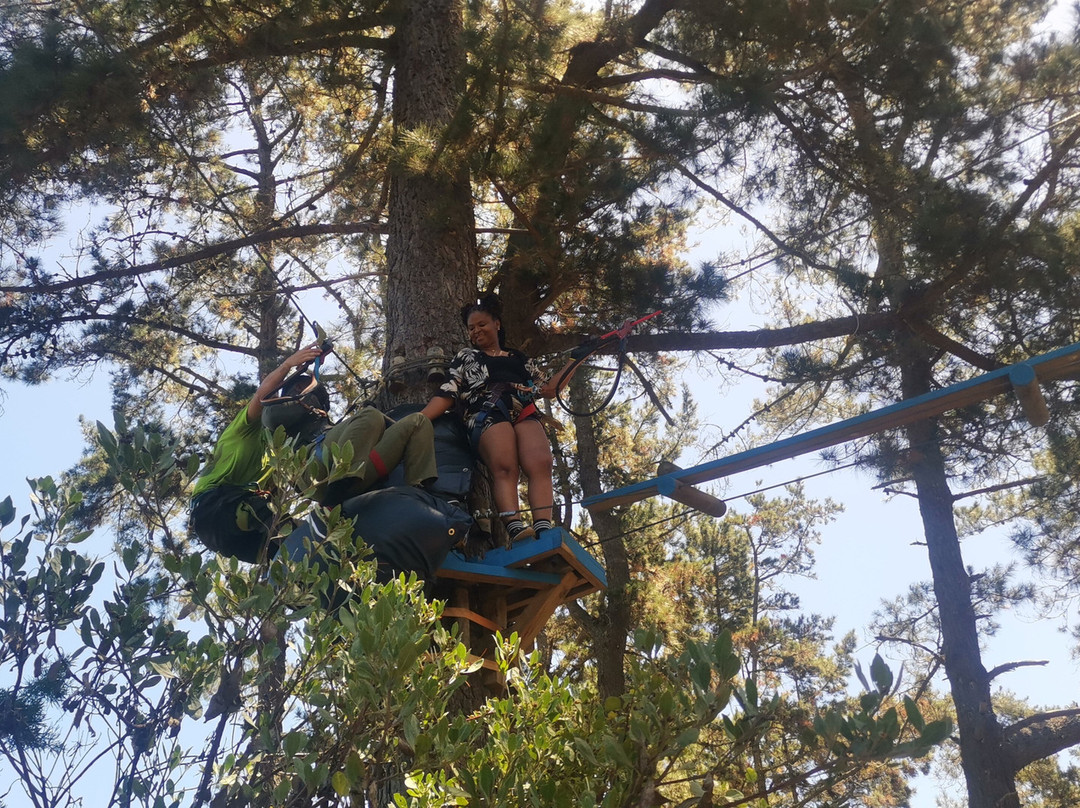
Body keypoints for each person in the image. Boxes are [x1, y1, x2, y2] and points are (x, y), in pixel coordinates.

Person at [421, 294, 576, 540]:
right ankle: (513, 524)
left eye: (482, 324)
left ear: (497, 324)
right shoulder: (467, 357)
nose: (476, 331)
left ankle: (543, 525)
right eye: (471, 328)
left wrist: (575, 360)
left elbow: (548, 389)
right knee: (505, 466)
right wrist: (420, 419)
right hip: (487, 410)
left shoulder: (519, 359)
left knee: (542, 462)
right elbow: (449, 391)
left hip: (523, 410)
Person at [189, 344, 325, 562]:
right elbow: (263, 395)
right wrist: (289, 364)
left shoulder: (278, 455)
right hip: (213, 509)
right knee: (276, 520)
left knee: (303, 555)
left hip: (241, 539)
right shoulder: (247, 428)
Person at [261, 375, 438, 507]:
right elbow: (270, 417)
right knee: (370, 415)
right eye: (299, 387)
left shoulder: (327, 424)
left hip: (353, 476)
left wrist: (382, 426)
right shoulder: (275, 414)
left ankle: (420, 497)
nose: (303, 390)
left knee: (418, 421)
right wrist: (311, 396)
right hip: (314, 473)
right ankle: (334, 498)